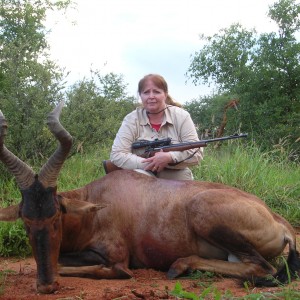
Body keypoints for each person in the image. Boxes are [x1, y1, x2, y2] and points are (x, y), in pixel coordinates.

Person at [110, 74, 203, 180]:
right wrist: (151, 163)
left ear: (165, 94)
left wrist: (170, 157)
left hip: (174, 172)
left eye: (156, 92)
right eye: (146, 92)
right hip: (143, 170)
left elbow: (197, 153)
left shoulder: (182, 116)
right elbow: (117, 154)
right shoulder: (131, 119)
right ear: (140, 95)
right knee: (137, 179)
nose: (151, 96)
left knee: (186, 184)